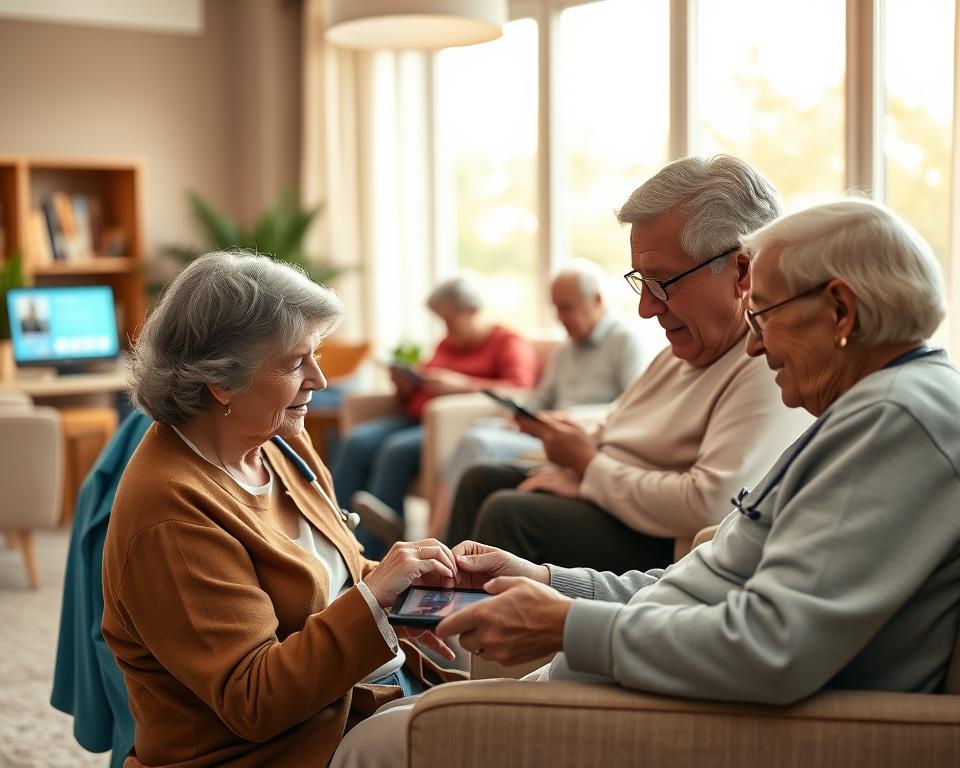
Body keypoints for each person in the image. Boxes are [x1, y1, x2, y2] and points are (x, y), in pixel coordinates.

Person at [331, 198, 960, 768]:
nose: (753, 347)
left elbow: (775, 646)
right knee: (386, 722)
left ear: (841, 310)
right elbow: (708, 580)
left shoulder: (895, 421)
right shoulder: (869, 412)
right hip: (642, 682)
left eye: (763, 314)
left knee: (375, 743)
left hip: (681, 717)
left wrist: (566, 623)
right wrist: (549, 581)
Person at [101, 252, 463, 768]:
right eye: (296, 362)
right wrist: (375, 599)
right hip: (276, 750)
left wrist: (413, 588)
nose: (319, 378)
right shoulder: (172, 512)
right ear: (222, 382)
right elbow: (254, 700)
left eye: (315, 355)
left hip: (357, 700)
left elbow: (341, 575)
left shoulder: (277, 442)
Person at [449, 155, 812, 572]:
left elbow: (710, 502)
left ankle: (469, 629)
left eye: (661, 282)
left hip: (659, 540)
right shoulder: (683, 349)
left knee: (508, 512)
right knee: (481, 479)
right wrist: (578, 463)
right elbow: (617, 426)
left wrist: (589, 470)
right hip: (615, 496)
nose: (645, 308)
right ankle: (430, 612)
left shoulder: (763, 362)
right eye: (641, 280)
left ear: (742, 271)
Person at [434, 259, 654, 540]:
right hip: (546, 431)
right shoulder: (565, 349)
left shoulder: (627, 341)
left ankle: (438, 539)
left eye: (567, 307)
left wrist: (568, 416)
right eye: (555, 307)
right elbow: (542, 398)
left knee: (476, 443)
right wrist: (521, 414)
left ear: (597, 300)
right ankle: (441, 543)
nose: (559, 317)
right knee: (480, 430)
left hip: (578, 436)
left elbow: (631, 405)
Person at [333, 275, 537, 555]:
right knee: (357, 441)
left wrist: (461, 384)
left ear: (472, 311)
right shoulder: (447, 343)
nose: (446, 328)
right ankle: (336, 535)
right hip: (414, 416)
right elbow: (427, 378)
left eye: (450, 320)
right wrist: (406, 386)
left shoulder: (507, 342)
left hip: (449, 426)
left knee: (396, 450)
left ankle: (372, 551)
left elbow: (520, 390)